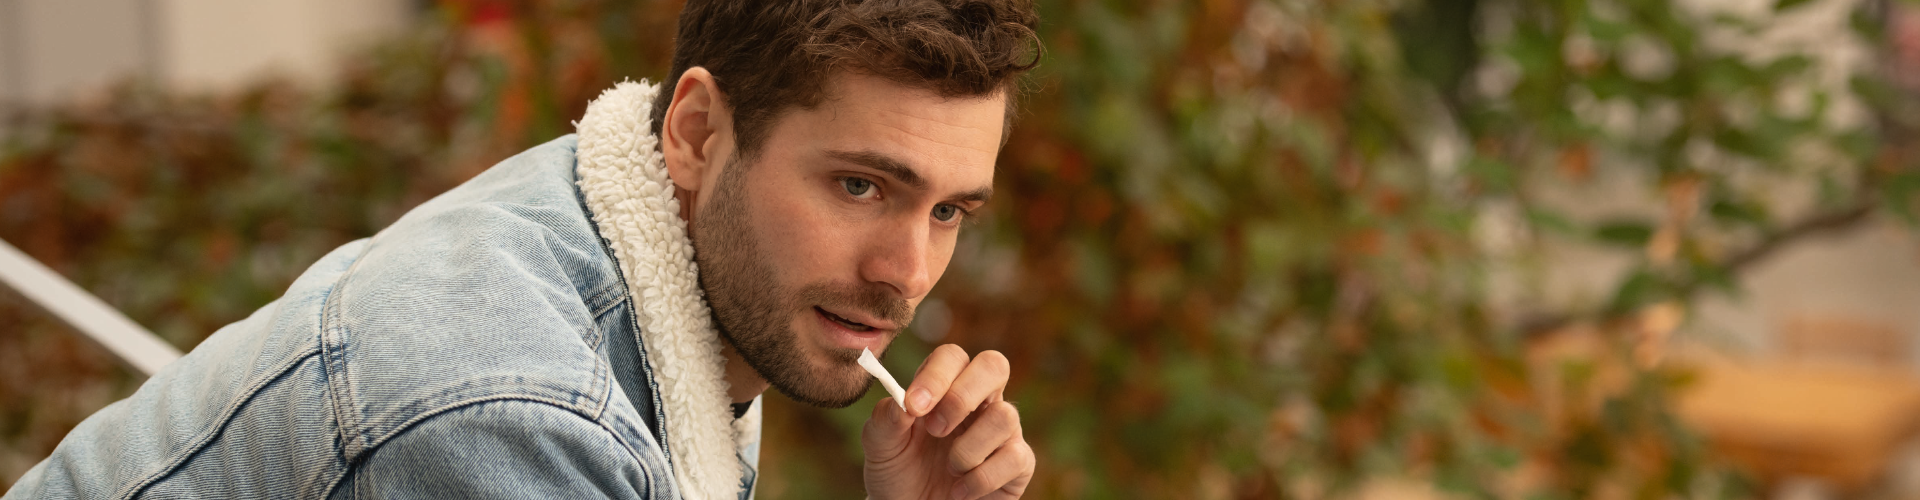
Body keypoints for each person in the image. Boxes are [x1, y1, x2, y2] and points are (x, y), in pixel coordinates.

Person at [2, 0, 1040, 498]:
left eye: (950, 211)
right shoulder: (513, 410)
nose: (905, 270)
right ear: (694, 133)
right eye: (861, 186)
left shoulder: (649, 259)